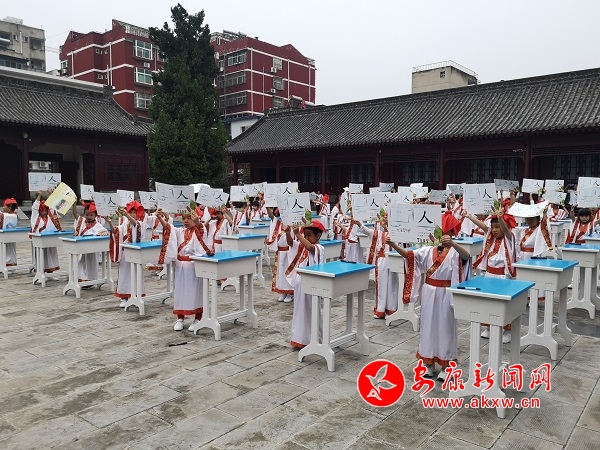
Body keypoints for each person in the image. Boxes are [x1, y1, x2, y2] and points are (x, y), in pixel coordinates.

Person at [387, 211, 470, 381]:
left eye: (446, 231)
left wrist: (453, 244)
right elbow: (409, 256)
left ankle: (446, 365)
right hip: (430, 291)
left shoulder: (455, 251)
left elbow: (466, 257)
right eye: (440, 231)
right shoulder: (427, 250)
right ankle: (428, 363)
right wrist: (393, 244)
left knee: (446, 327)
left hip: (446, 293)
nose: (443, 235)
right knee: (428, 327)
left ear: (452, 233)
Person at [156, 208, 212, 331]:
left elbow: (201, 229)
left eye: (188, 218)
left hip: (193, 266)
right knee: (179, 292)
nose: (185, 221)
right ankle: (180, 318)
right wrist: (160, 218)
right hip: (180, 266)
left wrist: (197, 221)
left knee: (195, 292)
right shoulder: (180, 231)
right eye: (183, 218)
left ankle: (198, 318)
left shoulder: (199, 229)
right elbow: (169, 228)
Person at [468, 210, 518, 343]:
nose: (495, 230)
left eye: (498, 227)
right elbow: (484, 227)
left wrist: (500, 218)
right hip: (489, 274)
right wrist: (469, 216)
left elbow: (505, 230)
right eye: (493, 227)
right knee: (488, 302)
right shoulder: (490, 237)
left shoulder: (509, 238)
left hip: (503, 277)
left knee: (503, 304)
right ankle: (489, 327)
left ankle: (507, 330)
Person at [286, 220, 326, 348]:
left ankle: (312, 339)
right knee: (300, 311)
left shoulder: (319, 248)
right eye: (305, 235)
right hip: (300, 282)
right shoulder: (303, 247)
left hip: (310, 283)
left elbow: (310, 247)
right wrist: (288, 233)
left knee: (310, 310)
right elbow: (291, 244)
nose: (306, 238)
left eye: (309, 235)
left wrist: (298, 234)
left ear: (318, 236)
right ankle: (299, 338)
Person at [355, 217, 398, 319]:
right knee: (381, 286)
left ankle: (391, 310)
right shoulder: (378, 233)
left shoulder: (397, 234)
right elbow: (367, 231)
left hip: (393, 260)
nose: (385, 222)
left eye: (387, 220)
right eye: (384, 220)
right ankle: (380, 310)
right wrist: (359, 223)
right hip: (382, 262)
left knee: (392, 285)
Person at [106, 204, 144, 307]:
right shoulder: (124, 224)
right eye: (131, 212)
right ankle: (124, 297)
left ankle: (136, 296)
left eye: (134, 213)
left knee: (136, 274)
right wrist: (110, 222)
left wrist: (126, 214)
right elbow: (115, 232)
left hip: (136, 253)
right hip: (125, 253)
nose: (133, 214)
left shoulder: (140, 223)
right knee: (124, 275)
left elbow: (135, 223)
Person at [72, 202, 109, 285]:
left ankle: (91, 280)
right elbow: (75, 214)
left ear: (95, 215)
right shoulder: (81, 221)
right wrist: (74, 204)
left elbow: (104, 232)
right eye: (87, 215)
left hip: (93, 248)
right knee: (81, 263)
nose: (88, 217)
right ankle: (82, 279)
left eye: (91, 215)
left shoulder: (98, 225)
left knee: (92, 264)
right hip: (82, 248)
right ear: (84, 214)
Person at [31, 191, 62, 273]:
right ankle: (40, 271)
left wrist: (50, 195)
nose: (44, 212)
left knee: (51, 254)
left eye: (45, 210)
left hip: (50, 239)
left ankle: (50, 270)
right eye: (42, 210)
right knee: (41, 254)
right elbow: (34, 207)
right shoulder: (36, 217)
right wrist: (39, 196)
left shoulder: (50, 217)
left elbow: (52, 207)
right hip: (40, 239)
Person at [266, 207, 293, 302]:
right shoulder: (278, 223)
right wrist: (267, 206)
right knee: (281, 273)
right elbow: (271, 216)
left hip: (289, 252)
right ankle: (283, 292)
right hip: (280, 253)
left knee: (288, 272)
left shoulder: (292, 224)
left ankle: (290, 293)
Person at [1, 198, 19, 266]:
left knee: (10, 250)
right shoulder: (9, 215)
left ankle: (10, 263)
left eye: (4, 206)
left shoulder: (11, 216)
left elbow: (1, 215)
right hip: (7, 235)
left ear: (9, 207)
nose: (3, 207)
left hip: (10, 235)